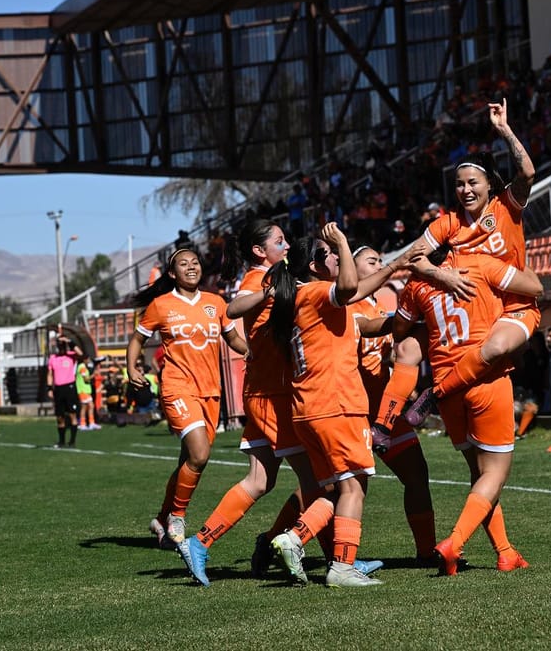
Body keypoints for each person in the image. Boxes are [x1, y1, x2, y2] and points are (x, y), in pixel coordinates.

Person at [267, 223, 424, 587]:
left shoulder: (305, 298)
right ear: (314, 265)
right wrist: (342, 238)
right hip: (335, 403)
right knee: (354, 488)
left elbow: (368, 318)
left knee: (339, 489)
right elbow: (352, 288)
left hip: (310, 407)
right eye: (330, 254)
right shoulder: (319, 293)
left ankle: (295, 538)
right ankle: (341, 566)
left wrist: (396, 267)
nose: (337, 257)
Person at [173, 220, 326, 585]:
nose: (287, 246)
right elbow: (234, 307)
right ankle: (339, 561)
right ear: (260, 251)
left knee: (260, 480)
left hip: (264, 392)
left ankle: (200, 543)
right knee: (318, 483)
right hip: (274, 396)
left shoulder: (275, 276)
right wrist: (267, 292)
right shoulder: (260, 277)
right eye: (279, 240)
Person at [392, 245, 542, 576]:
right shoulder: (481, 265)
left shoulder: (416, 284)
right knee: (494, 475)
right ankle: (454, 543)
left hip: (446, 388)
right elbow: (535, 288)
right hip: (486, 380)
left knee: (480, 476)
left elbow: (399, 331)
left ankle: (505, 551)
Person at [394, 98, 540, 429]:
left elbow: (528, 172)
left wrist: (504, 130)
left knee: (496, 348)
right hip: (477, 312)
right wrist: (438, 274)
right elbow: (412, 257)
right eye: (460, 184)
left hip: (514, 305)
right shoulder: (448, 223)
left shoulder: (507, 207)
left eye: (473, 182)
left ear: (489, 184)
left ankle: (434, 393)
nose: (465, 189)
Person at [126, 247, 247, 564]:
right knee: (199, 454)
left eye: (195, 262)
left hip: (211, 392)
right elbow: (138, 339)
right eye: (183, 263)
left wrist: (255, 352)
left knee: (189, 461)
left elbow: (233, 340)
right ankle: (177, 517)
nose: (191, 267)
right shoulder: (161, 305)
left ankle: (161, 520)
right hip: (178, 388)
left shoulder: (216, 303)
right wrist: (131, 367)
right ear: (171, 274)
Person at [350, 244, 437, 566]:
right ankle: (283, 536)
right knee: (334, 487)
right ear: (351, 267)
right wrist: (404, 320)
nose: (378, 266)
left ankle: (426, 552)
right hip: (353, 410)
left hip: (383, 410)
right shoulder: (343, 300)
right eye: (370, 261)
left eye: (380, 261)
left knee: (417, 474)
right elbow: (367, 328)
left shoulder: (378, 302)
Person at [46, 335, 82, 448]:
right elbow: (50, 374)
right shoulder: (53, 358)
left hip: (70, 388)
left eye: (63, 346)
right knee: (60, 416)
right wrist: (49, 389)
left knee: (72, 414)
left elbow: (80, 353)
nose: (61, 348)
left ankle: (72, 441)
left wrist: (69, 340)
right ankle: (61, 441)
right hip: (59, 389)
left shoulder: (71, 356)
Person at [75, 354, 98, 431]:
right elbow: (86, 379)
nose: (88, 361)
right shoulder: (82, 367)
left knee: (90, 406)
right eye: (87, 359)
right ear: (84, 360)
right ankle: (83, 424)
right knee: (85, 407)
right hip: (82, 390)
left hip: (86, 390)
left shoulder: (83, 367)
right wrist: (93, 375)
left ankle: (91, 423)